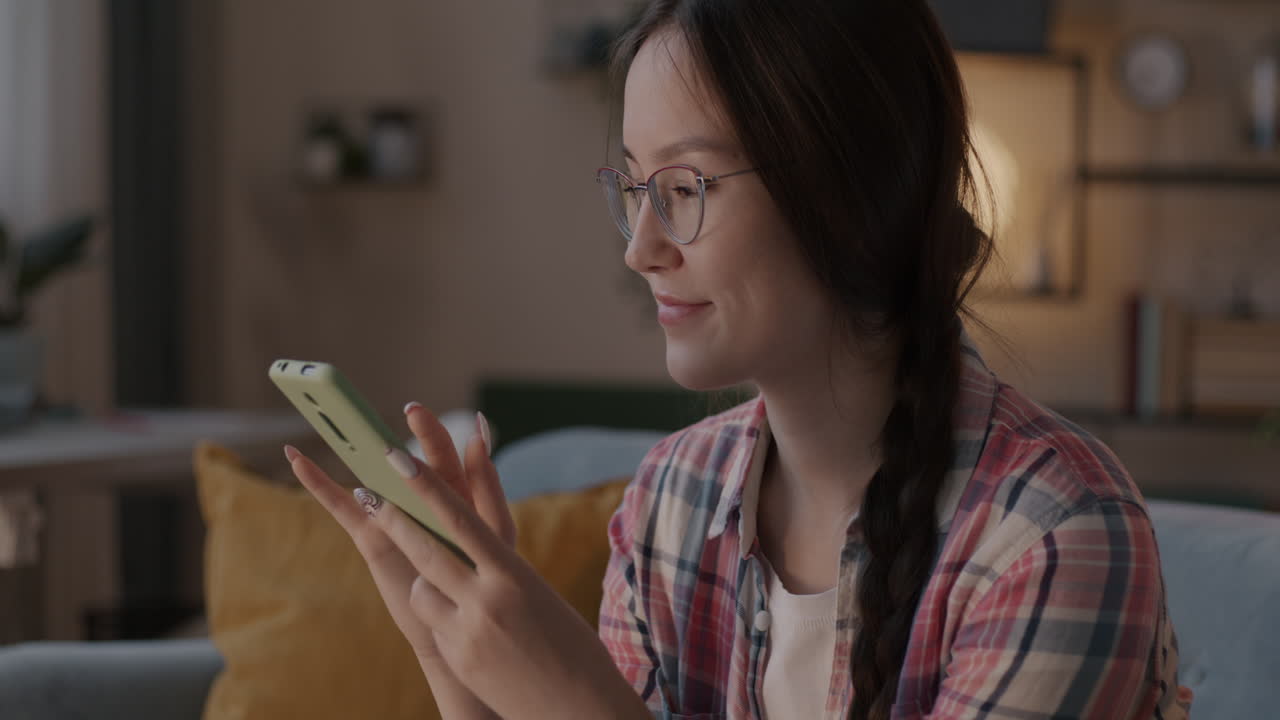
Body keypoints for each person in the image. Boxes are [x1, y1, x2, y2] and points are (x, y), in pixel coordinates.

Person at [285, 0, 1195, 718]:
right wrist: (450, 657)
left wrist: (569, 695)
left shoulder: (1053, 535)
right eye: (634, 187)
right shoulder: (673, 499)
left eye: (684, 188)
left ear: (852, 194)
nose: (641, 248)